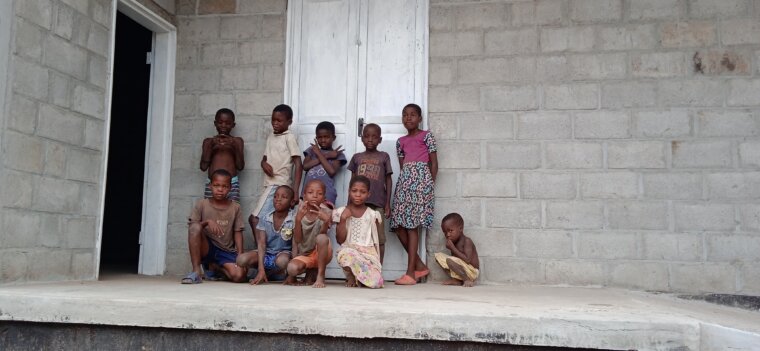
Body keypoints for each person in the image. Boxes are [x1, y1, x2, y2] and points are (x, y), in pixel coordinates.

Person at [390, 103, 438, 285]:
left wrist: (429, 185)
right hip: (405, 183)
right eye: (405, 115)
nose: (408, 118)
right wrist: (405, 184)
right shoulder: (400, 142)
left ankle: (410, 273)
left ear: (420, 118)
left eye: (412, 115)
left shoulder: (427, 137)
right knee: (397, 225)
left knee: (412, 226)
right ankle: (419, 265)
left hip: (421, 183)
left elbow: (434, 163)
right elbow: (403, 167)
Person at [182, 169, 247, 284]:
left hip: (226, 251)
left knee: (239, 276)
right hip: (207, 248)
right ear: (210, 186)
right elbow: (193, 228)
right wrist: (206, 222)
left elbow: (238, 232)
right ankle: (197, 271)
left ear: (230, 188)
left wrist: (240, 255)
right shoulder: (202, 204)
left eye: (224, 186)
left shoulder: (235, 207)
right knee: (195, 227)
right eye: (216, 185)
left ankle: (217, 267)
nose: (220, 189)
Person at [251, 104, 303, 232]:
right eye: (273, 120)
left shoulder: (289, 137)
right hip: (268, 185)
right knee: (268, 221)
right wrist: (263, 164)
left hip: (279, 184)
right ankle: (268, 249)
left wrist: (295, 191)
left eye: (279, 120)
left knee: (254, 219)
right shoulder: (271, 136)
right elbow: (264, 158)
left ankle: (261, 250)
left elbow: (298, 163)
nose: (275, 123)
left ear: (289, 122)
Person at [347, 123, 392, 263]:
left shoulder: (384, 156)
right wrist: (349, 204)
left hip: (378, 203)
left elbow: (388, 180)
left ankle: (378, 268)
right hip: (359, 205)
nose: (370, 140)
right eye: (366, 136)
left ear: (380, 139)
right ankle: (359, 269)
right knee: (359, 237)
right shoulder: (357, 157)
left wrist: (387, 204)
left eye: (374, 137)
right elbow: (352, 181)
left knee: (379, 238)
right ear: (362, 139)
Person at [236, 185, 296, 284]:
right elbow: (261, 244)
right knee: (241, 260)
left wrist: (292, 275)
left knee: (283, 261)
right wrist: (260, 269)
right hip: (266, 254)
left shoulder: (293, 219)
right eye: (276, 196)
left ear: (292, 202)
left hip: (282, 254)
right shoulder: (265, 218)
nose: (278, 199)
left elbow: (295, 245)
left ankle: (278, 272)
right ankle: (266, 272)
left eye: (283, 197)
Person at [334, 176, 384, 288]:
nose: (358, 195)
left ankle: (360, 278)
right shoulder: (342, 212)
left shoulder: (372, 215)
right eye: (354, 191)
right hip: (350, 251)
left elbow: (377, 241)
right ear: (349, 192)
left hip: (368, 254)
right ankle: (351, 276)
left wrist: (377, 263)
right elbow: (340, 240)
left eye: (363, 192)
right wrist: (342, 219)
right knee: (346, 255)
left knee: (377, 283)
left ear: (368, 194)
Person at [284, 179, 333, 288]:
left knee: (321, 238)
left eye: (319, 193)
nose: (315, 196)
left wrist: (326, 221)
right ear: (304, 196)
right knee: (292, 269)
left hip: (321, 253)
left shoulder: (326, 213)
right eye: (310, 193)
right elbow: (297, 240)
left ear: (324, 198)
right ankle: (311, 272)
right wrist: (298, 220)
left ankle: (320, 276)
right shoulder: (299, 212)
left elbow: (322, 236)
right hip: (305, 255)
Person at [200, 108, 244, 202]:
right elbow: (203, 167)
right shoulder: (208, 142)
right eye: (220, 122)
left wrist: (234, 146)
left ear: (233, 125)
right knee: (210, 210)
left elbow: (240, 166)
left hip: (231, 182)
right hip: (213, 183)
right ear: (215, 123)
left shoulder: (237, 141)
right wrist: (211, 146)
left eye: (228, 123)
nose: (223, 126)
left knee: (232, 210)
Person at [301, 121, 346, 207]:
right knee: (307, 218)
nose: (323, 140)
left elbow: (331, 171)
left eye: (326, 137)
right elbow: (305, 166)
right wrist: (327, 155)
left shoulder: (338, 155)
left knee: (324, 218)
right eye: (320, 137)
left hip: (326, 195)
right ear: (316, 138)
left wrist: (319, 154)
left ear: (333, 137)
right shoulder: (312, 150)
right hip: (308, 194)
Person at [434, 213, 480, 287]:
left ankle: (467, 280)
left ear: (460, 229)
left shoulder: (467, 241)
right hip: (462, 268)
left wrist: (452, 248)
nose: (447, 234)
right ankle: (457, 280)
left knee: (449, 260)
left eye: (450, 231)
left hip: (472, 271)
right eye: (445, 232)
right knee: (438, 256)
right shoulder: (453, 242)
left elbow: (467, 260)